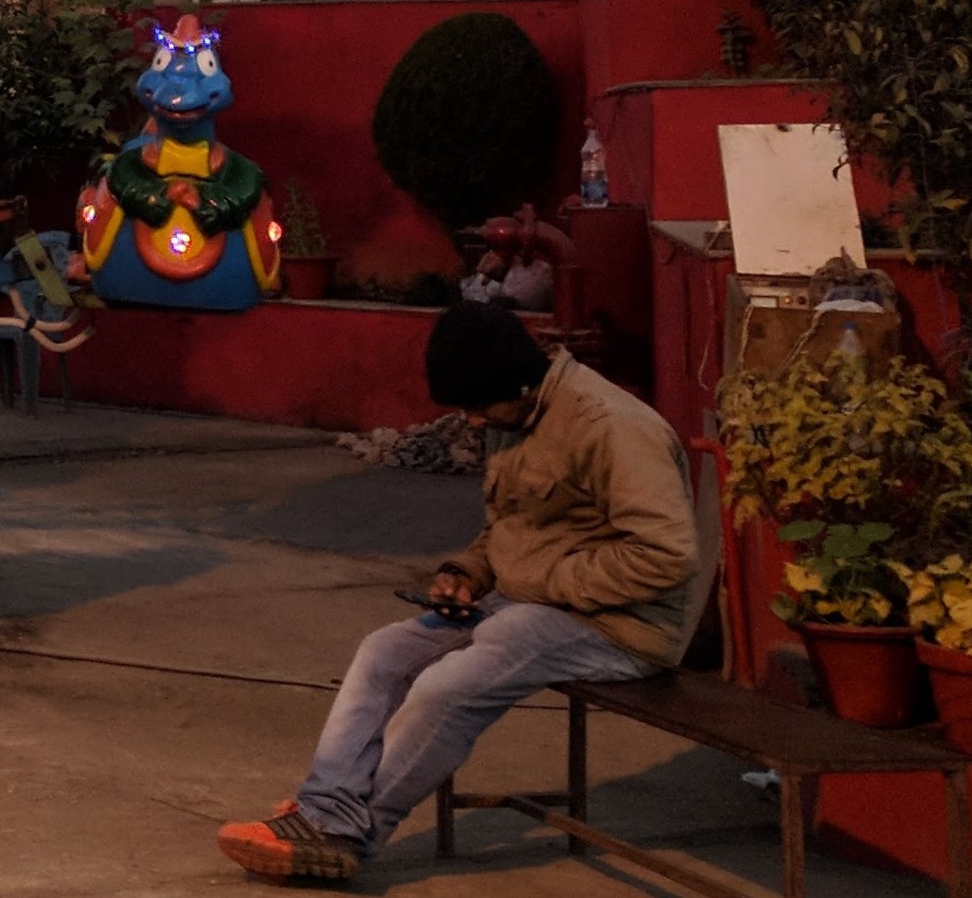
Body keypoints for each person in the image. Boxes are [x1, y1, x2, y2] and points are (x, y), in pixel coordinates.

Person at [219, 303, 705, 883]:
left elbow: (667, 556)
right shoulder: (514, 409)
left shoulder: (611, 427)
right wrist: (468, 572)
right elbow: (510, 527)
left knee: (451, 683)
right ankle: (326, 805)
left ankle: (347, 834)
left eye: (477, 408)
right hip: (532, 605)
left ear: (519, 382)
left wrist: (537, 582)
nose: (473, 423)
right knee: (384, 651)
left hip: (622, 626)